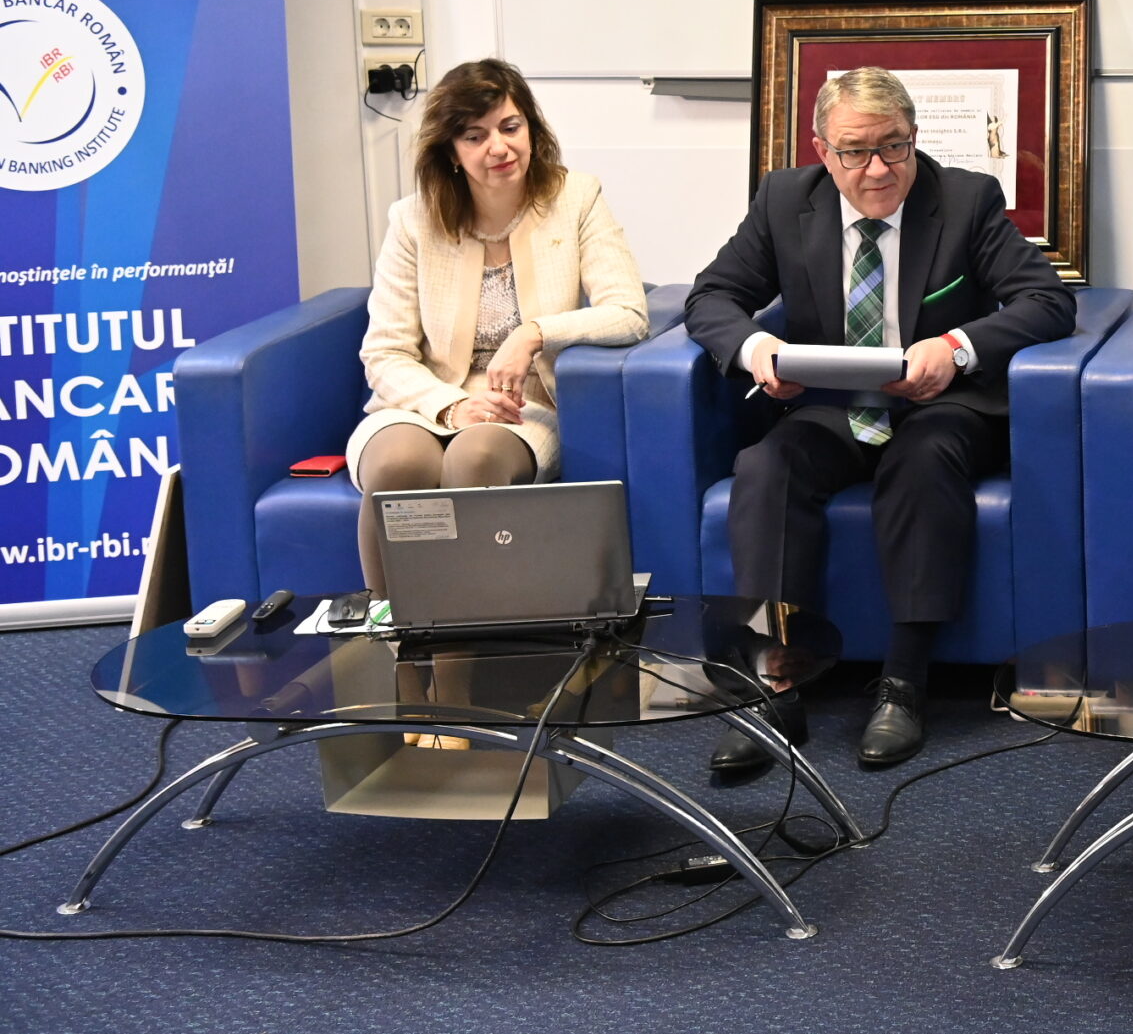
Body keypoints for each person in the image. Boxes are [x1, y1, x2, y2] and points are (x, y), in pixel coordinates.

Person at [687, 66, 1074, 774]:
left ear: (914, 137)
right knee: (765, 466)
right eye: (855, 151)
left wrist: (956, 348)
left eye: (894, 146)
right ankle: (774, 686)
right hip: (831, 407)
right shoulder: (784, 200)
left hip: (939, 407)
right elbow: (712, 297)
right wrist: (758, 348)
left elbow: (1047, 300)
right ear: (822, 151)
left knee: (922, 462)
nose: (878, 169)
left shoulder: (964, 199)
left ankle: (903, 684)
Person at [349, 59, 648, 594]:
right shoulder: (412, 220)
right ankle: (392, 629)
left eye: (511, 127)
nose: (500, 147)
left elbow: (628, 312)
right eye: (475, 136)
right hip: (422, 403)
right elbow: (385, 352)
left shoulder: (577, 199)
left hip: (524, 407)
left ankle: (474, 634)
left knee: (476, 458)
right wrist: (451, 406)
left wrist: (534, 333)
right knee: (397, 469)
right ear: (451, 152)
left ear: (531, 126)